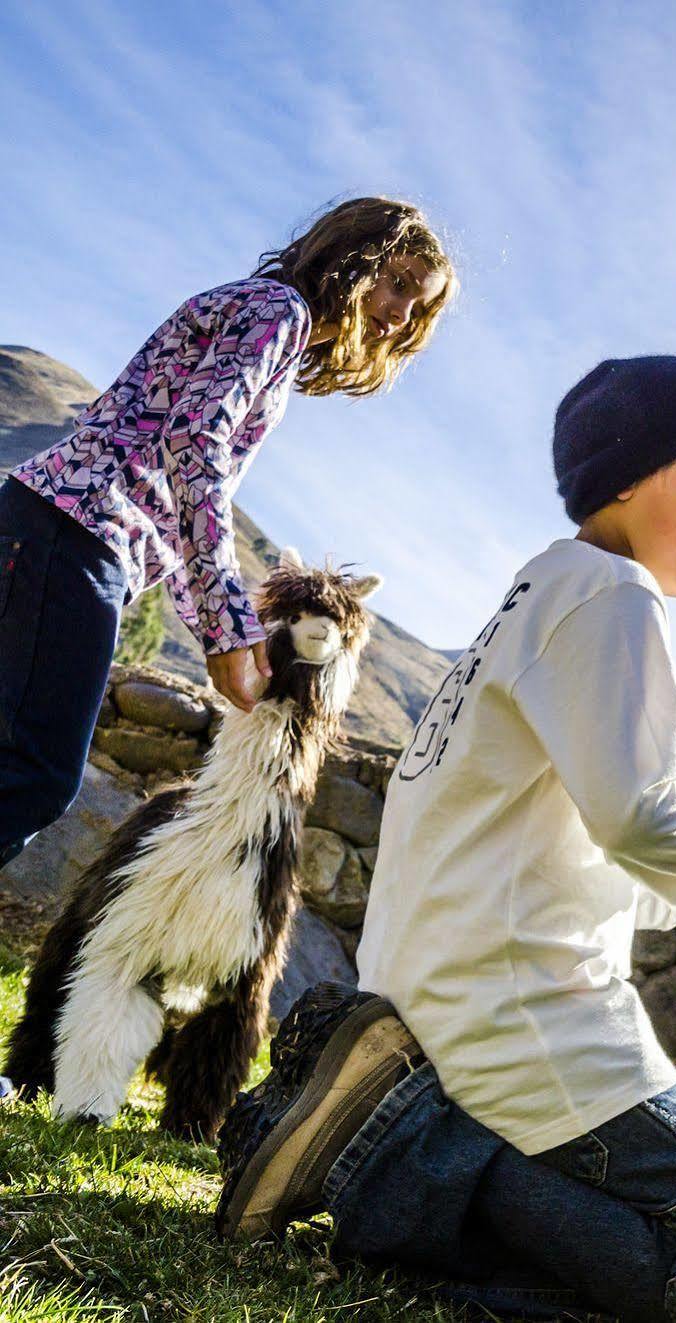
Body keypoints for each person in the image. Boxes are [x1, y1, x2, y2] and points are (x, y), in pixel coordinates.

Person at [214, 356, 676, 1322]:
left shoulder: (531, 603)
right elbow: (641, 820)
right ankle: (391, 1148)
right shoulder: (614, 599)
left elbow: (617, 856)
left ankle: (392, 1183)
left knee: (652, 1258)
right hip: (523, 1019)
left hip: (433, 1005)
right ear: (630, 466)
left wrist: (674, 868)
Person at [0, 196, 455, 868]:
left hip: (54, 527)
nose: (399, 316)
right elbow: (194, 444)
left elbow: (172, 499)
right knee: (34, 777)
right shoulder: (281, 313)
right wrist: (223, 627)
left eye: (418, 309)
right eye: (398, 286)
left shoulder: (266, 313)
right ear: (354, 259)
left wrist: (231, 633)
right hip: (74, 535)